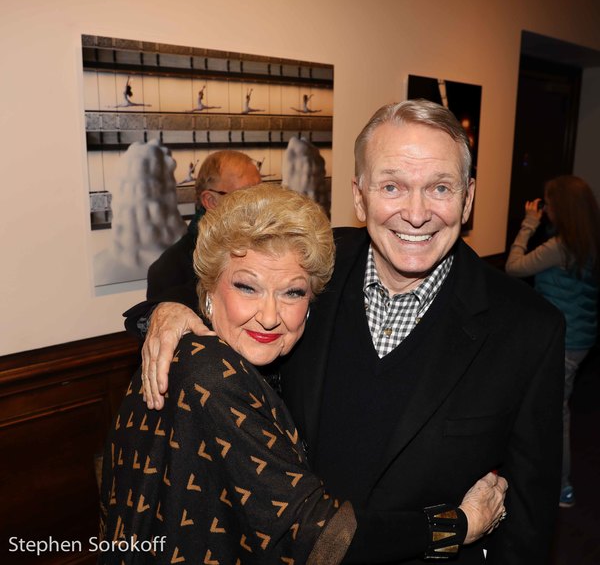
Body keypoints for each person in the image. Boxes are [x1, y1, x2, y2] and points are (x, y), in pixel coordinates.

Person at [126, 99, 563, 563]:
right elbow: (217, 283)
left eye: (439, 188)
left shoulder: (529, 330)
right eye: (392, 186)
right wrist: (164, 310)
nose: (416, 214)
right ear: (360, 196)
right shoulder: (308, 268)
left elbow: (528, 527)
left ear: (468, 197)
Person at [100, 184, 505, 564]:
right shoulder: (212, 375)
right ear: (206, 291)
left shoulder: (215, 355)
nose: (270, 315)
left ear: (311, 302)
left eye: (292, 292)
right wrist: (460, 525)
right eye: (247, 287)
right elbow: (319, 535)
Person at [505, 175, 600, 508]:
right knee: (548, 407)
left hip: (563, 341)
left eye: (549, 202)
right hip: (582, 339)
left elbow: (514, 267)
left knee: (556, 413)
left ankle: (561, 487)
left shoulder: (559, 247)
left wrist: (529, 224)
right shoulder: (589, 241)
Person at [144, 150, 261, 300]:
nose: (260, 202)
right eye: (246, 195)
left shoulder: (270, 245)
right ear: (211, 201)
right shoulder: (171, 270)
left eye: (262, 192)